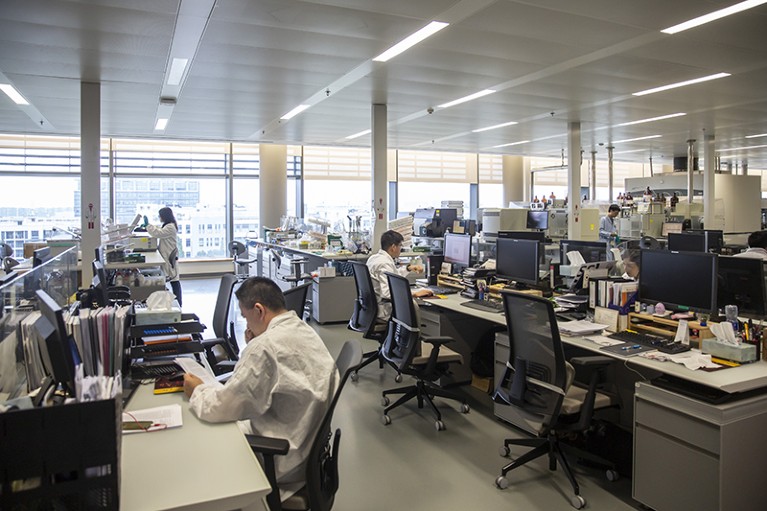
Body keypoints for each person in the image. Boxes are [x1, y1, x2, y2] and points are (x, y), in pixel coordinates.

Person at [183, 276, 339, 501]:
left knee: (202, 441)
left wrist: (197, 390)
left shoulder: (265, 348)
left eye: (246, 317)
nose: (246, 325)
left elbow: (222, 407)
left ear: (258, 310)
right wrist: (253, 346)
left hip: (281, 459)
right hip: (308, 452)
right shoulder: (301, 329)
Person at [367, 230, 432, 321]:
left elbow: (392, 276)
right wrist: (414, 294)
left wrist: (408, 268)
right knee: (414, 306)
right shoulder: (384, 263)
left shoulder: (374, 258)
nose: (400, 249)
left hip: (371, 308)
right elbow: (387, 293)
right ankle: (412, 334)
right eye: (400, 246)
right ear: (393, 247)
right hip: (384, 310)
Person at [145, 207, 182, 305]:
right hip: (167, 255)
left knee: (174, 281)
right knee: (171, 279)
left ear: (164, 216)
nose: (159, 217)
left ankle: (178, 303)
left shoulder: (170, 227)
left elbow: (158, 233)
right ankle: (173, 301)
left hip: (169, 257)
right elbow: (158, 229)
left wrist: (148, 226)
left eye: (160, 215)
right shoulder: (168, 225)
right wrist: (150, 226)